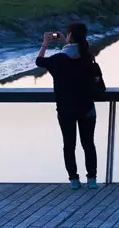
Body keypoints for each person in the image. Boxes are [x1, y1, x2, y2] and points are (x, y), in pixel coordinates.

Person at [36, 22, 98, 190]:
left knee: (69, 145)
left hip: (66, 109)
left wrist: (45, 42)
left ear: (69, 35)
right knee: (88, 144)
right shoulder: (87, 56)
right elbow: (76, 54)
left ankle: (74, 180)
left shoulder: (58, 59)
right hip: (87, 108)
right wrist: (67, 41)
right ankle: (92, 179)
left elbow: (39, 61)